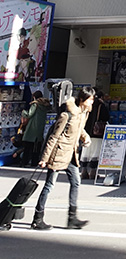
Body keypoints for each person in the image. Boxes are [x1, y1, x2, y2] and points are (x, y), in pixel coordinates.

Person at [31, 86, 95, 231]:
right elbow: (54, 136)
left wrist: (85, 137)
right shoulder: (67, 115)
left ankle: (72, 218)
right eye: (90, 99)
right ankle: (37, 218)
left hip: (71, 154)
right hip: (58, 154)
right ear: (82, 99)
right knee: (49, 185)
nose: (92, 102)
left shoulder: (83, 113)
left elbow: (79, 129)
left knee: (76, 182)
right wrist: (44, 158)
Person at [80, 90, 109, 179]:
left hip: (86, 131)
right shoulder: (101, 105)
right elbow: (106, 117)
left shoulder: (87, 105)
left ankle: (84, 171)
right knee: (96, 151)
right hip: (97, 132)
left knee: (85, 151)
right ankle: (93, 172)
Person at [21, 90, 51, 167]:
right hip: (40, 128)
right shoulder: (45, 106)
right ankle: (34, 162)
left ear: (34, 97)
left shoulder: (35, 105)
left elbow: (29, 114)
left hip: (32, 127)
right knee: (36, 147)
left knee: (27, 146)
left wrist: (23, 112)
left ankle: (25, 162)